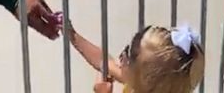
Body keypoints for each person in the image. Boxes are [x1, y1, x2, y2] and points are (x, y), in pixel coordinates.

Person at [67, 21, 204, 93]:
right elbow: (104, 61)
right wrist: (71, 33)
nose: (121, 56)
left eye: (129, 53)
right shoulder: (148, 84)